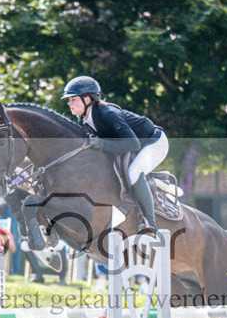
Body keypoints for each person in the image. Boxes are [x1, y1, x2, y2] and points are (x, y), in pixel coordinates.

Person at [62, 76, 167, 234]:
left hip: (153, 143)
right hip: (132, 147)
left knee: (134, 172)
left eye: (73, 99)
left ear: (88, 98)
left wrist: (102, 144)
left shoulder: (108, 113)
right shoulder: (83, 120)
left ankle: (150, 224)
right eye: (69, 100)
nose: (69, 103)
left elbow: (133, 144)